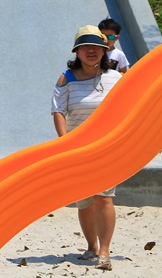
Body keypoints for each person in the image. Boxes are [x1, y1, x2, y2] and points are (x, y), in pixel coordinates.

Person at [51, 25, 123, 272]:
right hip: (77, 147)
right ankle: (92, 246)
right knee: (83, 201)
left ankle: (104, 251)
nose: (91, 51)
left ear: (104, 51)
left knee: (103, 196)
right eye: (85, 47)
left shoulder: (116, 79)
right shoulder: (66, 78)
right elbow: (58, 110)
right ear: (77, 52)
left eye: (96, 47)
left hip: (106, 147)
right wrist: (64, 142)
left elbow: (130, 108)